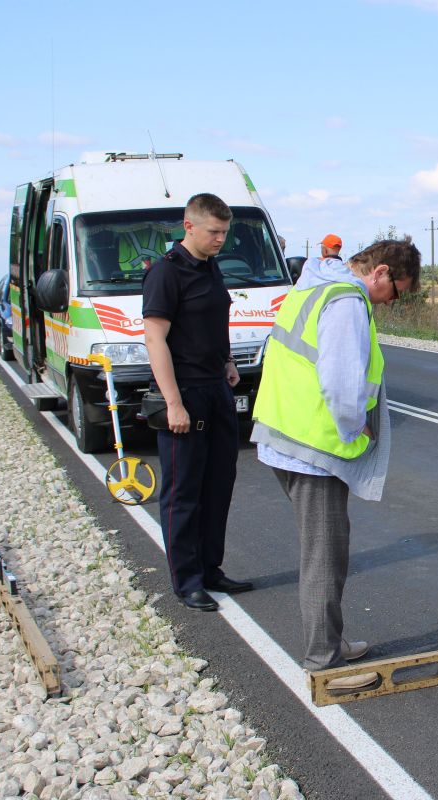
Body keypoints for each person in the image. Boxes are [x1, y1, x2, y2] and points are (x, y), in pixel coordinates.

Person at [250, 236, 421, 691]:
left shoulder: (314, 285)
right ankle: (325, 663)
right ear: (380, 273)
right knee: (324, 555)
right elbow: (341, 381)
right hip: (312, 447)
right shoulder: (346, 302)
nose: (391, 302)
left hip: (284, 435)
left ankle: (332, 641)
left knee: (326, 548)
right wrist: (357, 428)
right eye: (396, 291)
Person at [142, 193, 250, 612]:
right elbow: (155, 339)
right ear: (188, 226)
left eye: (225, 232)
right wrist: (173, 403)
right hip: (184, 390)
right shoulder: (166, 273)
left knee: (219, 484)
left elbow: (216, 321)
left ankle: (210, 569)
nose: (220, 239)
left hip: (216, 387)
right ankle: (186, 581)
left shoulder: (211, 266)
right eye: (213, 232)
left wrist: (228, 361)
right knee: (183, 492)